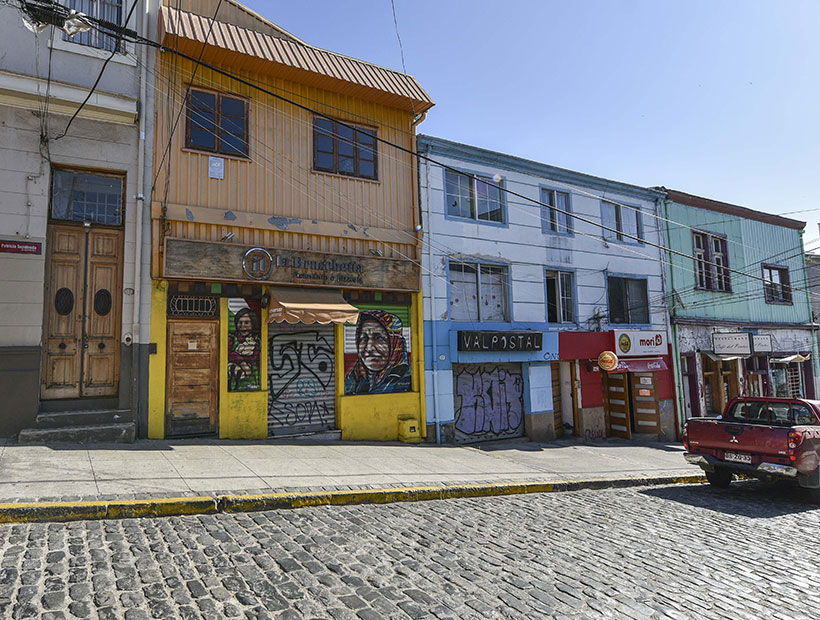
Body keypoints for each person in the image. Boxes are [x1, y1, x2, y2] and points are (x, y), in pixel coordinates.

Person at [345, 310, 411, 394]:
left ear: (395, 343)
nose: (369, 348)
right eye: (364, 338)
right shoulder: (354, 378)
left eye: (378, 338)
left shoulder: (405, 379)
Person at [228, 307, 260, 389]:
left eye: (246, 323)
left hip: (253, 381)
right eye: (240, 322)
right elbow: (227, 353)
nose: (243, 326)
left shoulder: (257, 341)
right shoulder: (232, 339)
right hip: (236, 384)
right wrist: (242, 363)